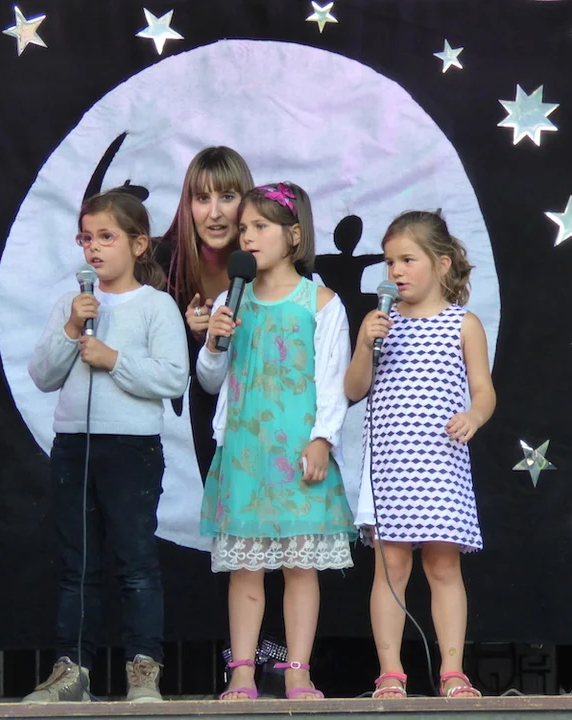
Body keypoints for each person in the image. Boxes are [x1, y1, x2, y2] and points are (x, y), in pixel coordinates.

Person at [25, 190, 189, 704]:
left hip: (131, 449)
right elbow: (43, 376)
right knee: (78, 564)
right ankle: (72, 670)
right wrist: (72, 328)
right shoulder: (71, 305)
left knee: (136, 563)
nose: (93, 248)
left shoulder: (156, 305)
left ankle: (143, 668)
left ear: (138, 244)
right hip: (74, 445)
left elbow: (173, 377)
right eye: (86, 238)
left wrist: (113, 358)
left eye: (106, 236)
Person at [198, 182, 354, 701]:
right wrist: (213, 342)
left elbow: (332, 380)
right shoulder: (231, 300)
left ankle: (297, 671)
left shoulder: (321, 302)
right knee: (246, 568)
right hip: (246, 452)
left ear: (294, 235)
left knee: (300, 567)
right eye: (243, 228)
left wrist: (323, 439)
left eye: (260, 227)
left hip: (298, 453)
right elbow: (211, 380)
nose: (247, 236)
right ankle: (242, 672)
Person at [344, 210, 496, 700]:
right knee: (391, 567)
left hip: (440, 462)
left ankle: (453, 672)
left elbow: (484, 390)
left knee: (443, 566)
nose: (396, 271)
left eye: (408, 260)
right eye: (390, 262)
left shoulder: (462, 324)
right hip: (390, 463)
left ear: (442, 263)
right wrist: (365, 344)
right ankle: (390, 672)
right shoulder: (381, 324)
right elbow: (354, 389)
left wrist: (474, 416)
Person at [158, 147, 255, 480]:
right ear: (189, 205)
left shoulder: (271, 252)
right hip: (208, 401)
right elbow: (157, 359)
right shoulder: (164, 261)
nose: (214, 213)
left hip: (269, 398)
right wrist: (195, 335)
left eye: (227, 197)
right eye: (202, 198)